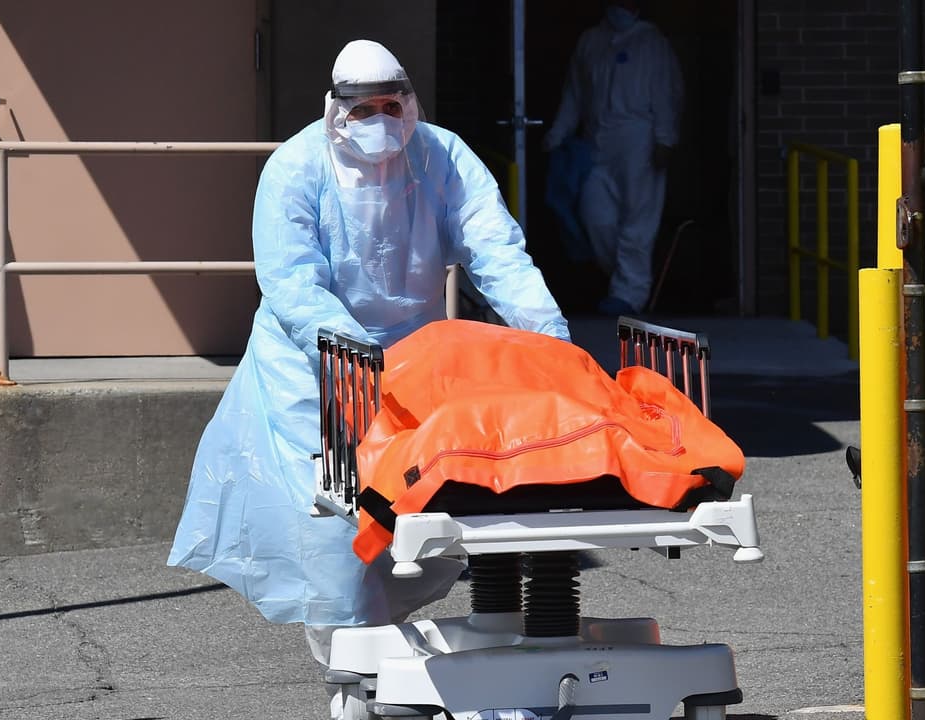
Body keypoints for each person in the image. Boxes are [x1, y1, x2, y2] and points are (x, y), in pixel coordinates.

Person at [166, 38, 571, 715]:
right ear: (336, 108)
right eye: (362, 109)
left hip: (412, 368)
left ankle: (398, 672)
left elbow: (496, 251)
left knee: (420, 516)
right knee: (334, 534)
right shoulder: (296, 167)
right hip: (311, 374)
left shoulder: (441, 157)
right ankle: (354, 682)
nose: (379, 120)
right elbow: (293, 284)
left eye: (391, 104)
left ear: (409, 100)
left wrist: (550, 339)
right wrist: (359, 358)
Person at [543, 0, 685, 315]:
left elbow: (667, 93)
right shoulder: (591, 41)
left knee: (638, 218)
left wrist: (665, 138)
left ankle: (630, 293)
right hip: (595, 139)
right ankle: (625, 278)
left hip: (639, 139)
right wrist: (557, 134)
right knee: (595, 215)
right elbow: (574, 94)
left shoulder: (651, 42)